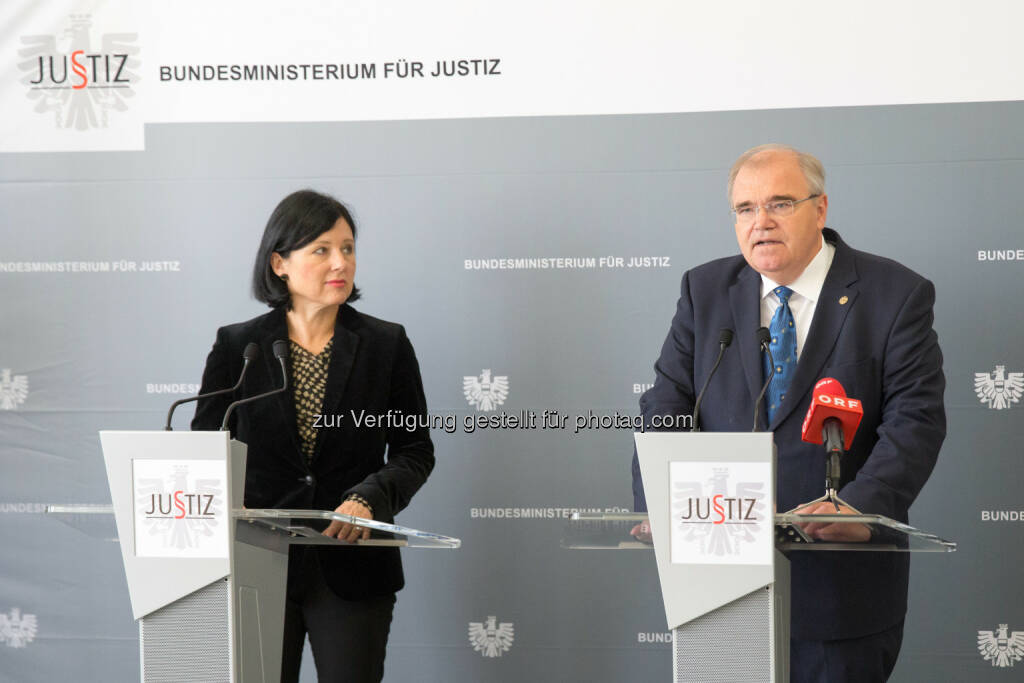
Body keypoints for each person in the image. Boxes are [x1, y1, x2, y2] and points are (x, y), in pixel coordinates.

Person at [630, 144, 945, 682]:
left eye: (779, 204)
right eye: (745, 209)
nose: (761, 222)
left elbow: (914, 419)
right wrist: (658, 499)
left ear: (820, 210)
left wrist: (858, 509)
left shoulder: (893, 293)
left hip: (838, 587)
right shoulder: (705, 290)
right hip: (719, 579)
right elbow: (666, 402)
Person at [192, 189, 435, 683]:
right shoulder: (240, 346)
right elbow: (202, 452)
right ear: (280, 263)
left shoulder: (385, 344)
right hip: (255, 562)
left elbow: (414, 450)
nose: (339, 262)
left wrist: (371, 497)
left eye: (347, 248)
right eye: (321, 249)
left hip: (350, 563)